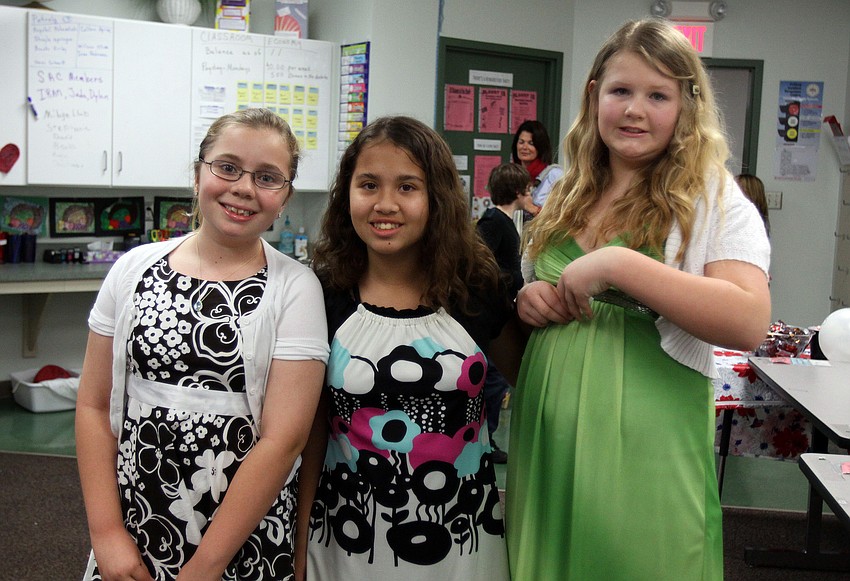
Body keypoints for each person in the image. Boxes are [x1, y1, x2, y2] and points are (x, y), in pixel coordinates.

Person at [506, 19, 771, 581]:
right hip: (548, 424)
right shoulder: (571, 187)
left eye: (658, 95)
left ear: (685, 108)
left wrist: (620, 264)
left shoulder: (711, 195)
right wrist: (530, 299)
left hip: (647, 431)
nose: (634, 110)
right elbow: (548, 282)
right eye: (620, 91)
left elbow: (748, 320)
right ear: (594, 96)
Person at [75, 107, 329, 581]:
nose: (243, 188)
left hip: (241, 540)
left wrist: (206, 567)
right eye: (227, 167)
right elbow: (93, 405)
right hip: (135, 527)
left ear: (286, 195)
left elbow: (284, 439)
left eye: (267, 177)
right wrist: (106, 533)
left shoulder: (295, 289)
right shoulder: (132, 270)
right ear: (198, 173)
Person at [302, 115, 512, 580]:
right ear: (347, 194)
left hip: (463, 540)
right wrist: (297, 547)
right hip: (346, 540)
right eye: (369, 184)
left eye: (407, 187)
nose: (385, 204)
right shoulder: (323, 294)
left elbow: (535, 391)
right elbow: (311, 433)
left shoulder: (476, 290)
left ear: (436, 198)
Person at [476, 163, 535, 463]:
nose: (531, 194)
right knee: (494, 380)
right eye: (527, 189)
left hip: (504, 307)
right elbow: (479, 260)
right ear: (517, 192)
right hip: (493, 314)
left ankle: (487, 439)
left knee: (497, 380)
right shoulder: (493, 222)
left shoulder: (506, 221)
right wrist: (506, 283)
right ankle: (485, 440)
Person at [511, 119, 564, 214]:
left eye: (531, 143)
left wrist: (531, 208)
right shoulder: (513, 177)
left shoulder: (555, 175)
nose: (524, 147)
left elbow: (564, 214)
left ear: (541, 147)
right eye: (521, 142)